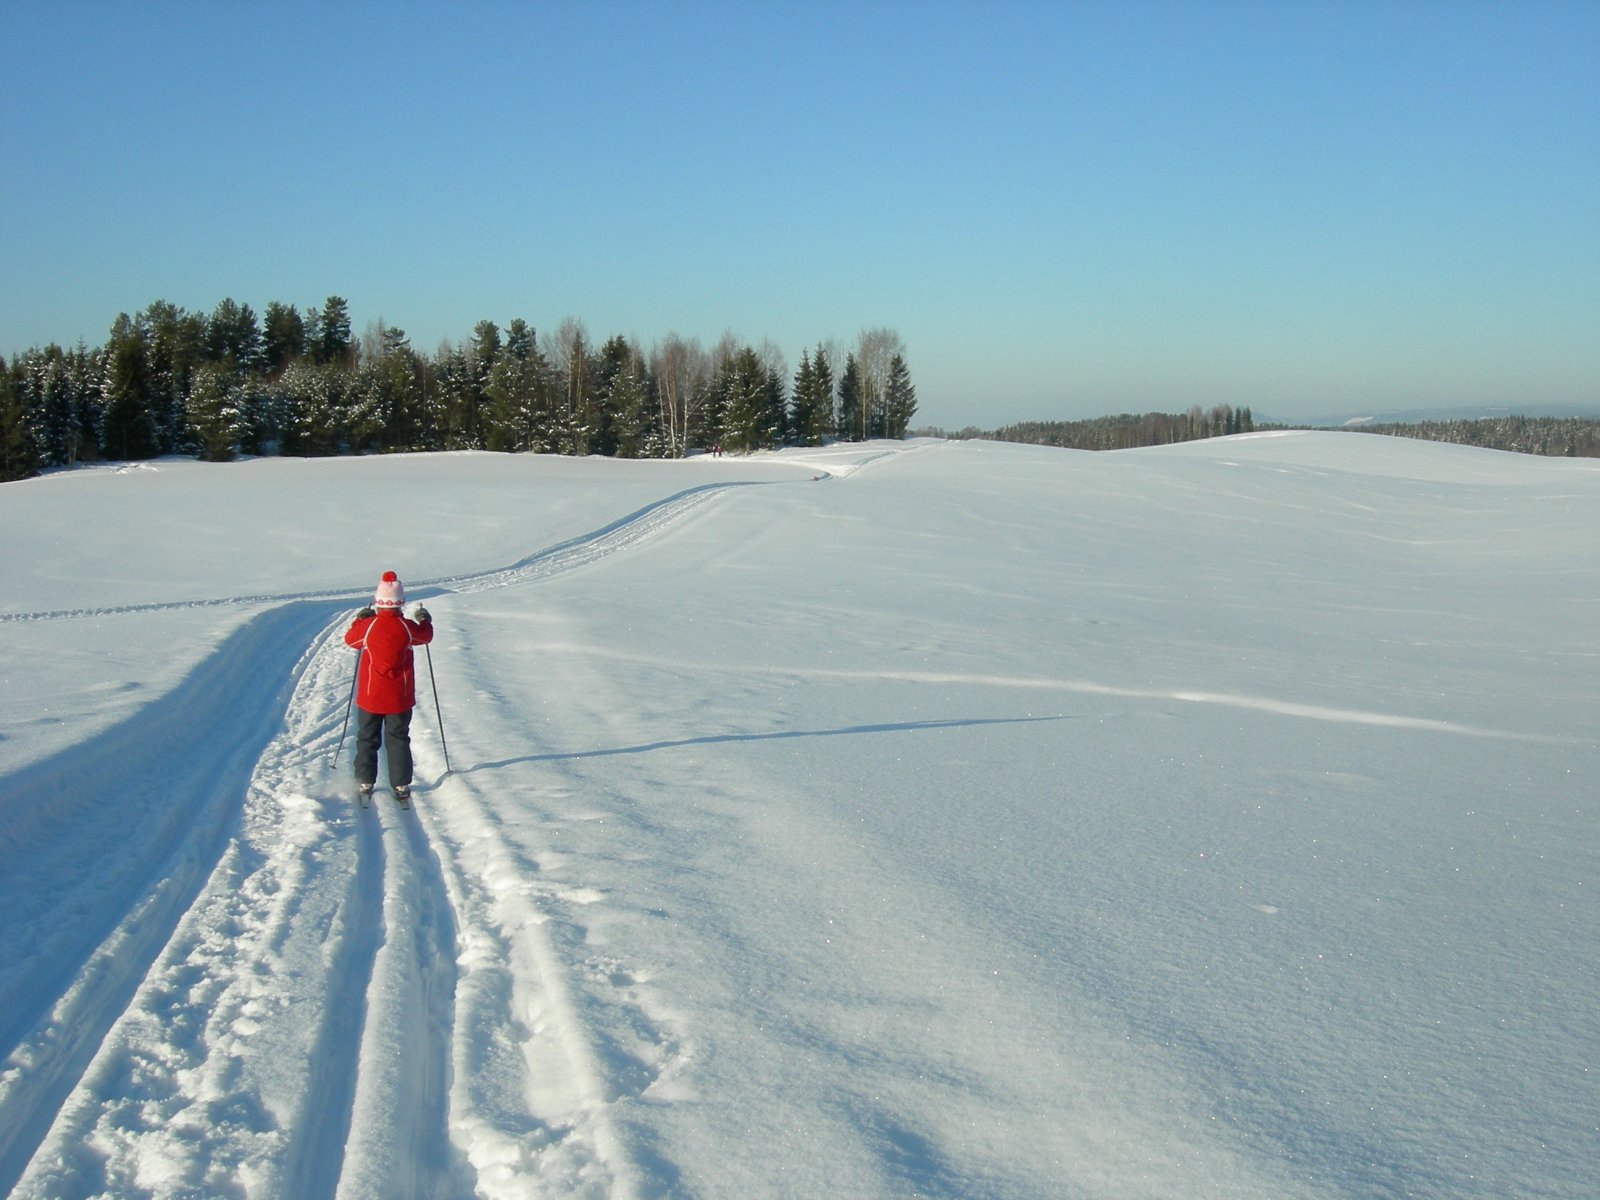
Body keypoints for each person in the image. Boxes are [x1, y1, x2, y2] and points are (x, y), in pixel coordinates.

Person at [344, 570, 433, 803]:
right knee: (398, 738)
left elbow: (350, 639)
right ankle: (401, 784)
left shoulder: (369, 626)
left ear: (378, 601)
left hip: (370, 697)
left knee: (366, 737)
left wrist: (361, 618)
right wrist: (424, 618)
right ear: (400, 602)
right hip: (399, 698)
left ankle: (364, 781)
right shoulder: (406, 627)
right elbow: (425, 637)